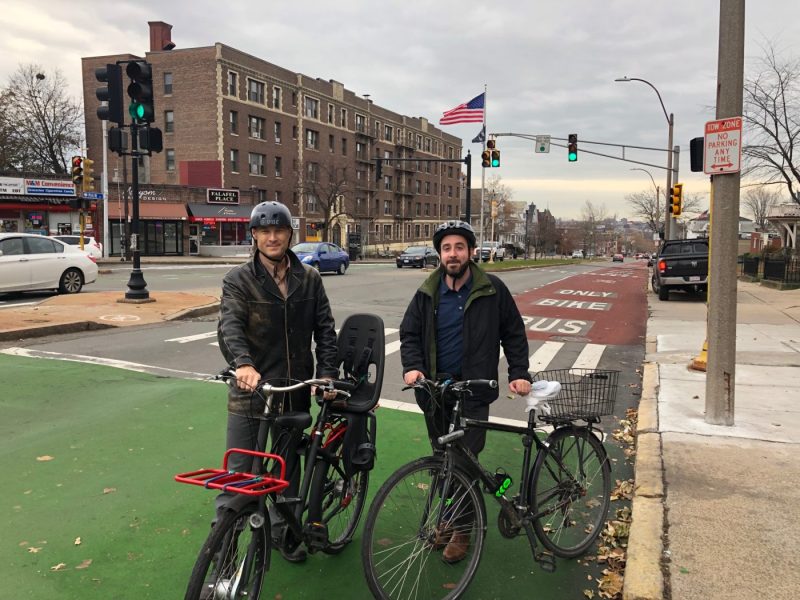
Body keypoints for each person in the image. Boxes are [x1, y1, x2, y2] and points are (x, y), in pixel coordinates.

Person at [399, 219, 532, 563]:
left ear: (471, 252)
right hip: (435, 392)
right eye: (446, 248)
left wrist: (519, 373)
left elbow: (513, 333)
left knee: (462, 463)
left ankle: (462, 530)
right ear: (440, 254)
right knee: (443, 461)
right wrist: (413, 367)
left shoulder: (492, 289)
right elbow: (410, 333)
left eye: (459, 247)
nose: (453, 254)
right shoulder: (428, 291)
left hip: (472, 390)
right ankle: (449, 517)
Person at [216, 200, 339, 562]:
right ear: (254, 236)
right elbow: (230, 327)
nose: (272, 237)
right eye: (264, 231)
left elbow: (325, 330)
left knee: (286, 473)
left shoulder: (310, 279)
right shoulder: (238, 279)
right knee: (238, 479)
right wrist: (243, 365)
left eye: (279, 230)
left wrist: (326, 373)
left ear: (289, 234)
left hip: (293, 392)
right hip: (251, 392)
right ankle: (222, 556)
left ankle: (283, 534)